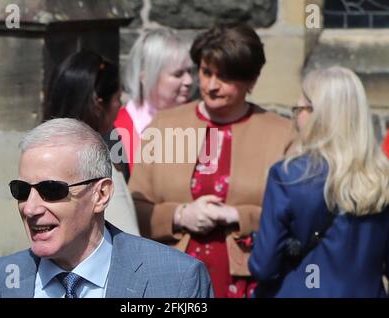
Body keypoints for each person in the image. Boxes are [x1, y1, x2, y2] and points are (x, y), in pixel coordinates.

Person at [128, 22, 294, 298]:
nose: (211, 86)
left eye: (225, 78)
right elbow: (134, 207)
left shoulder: (281, 133)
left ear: (251, 81)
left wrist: (237, 215)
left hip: (248, 282)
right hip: (172, 279)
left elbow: (294, 217)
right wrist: (181, 215)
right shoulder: (165, 125)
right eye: (206, 73)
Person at [0, 118, 213, 298]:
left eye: (51, 190)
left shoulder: (176, 280)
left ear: (101, 195)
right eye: (21, 190)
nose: (30, 208)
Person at [249, 66, 389, 297]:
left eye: (299, 109)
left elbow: (264, 267)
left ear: (318, 114)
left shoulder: (288, 176)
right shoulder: (382, 177)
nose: (296, 118)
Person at [43, 50, 138, 235]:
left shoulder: (39, 152)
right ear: (97, 105)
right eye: (117, 99)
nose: (120, 105)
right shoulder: (98, 169)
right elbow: (128, 240)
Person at [114, 28, 194, 172]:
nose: (188, 81)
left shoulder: (200, 121)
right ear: (146, 76)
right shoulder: (117, 128)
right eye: (178, 74)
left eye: (190, 71)